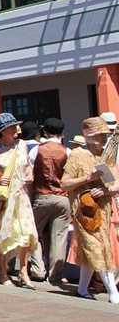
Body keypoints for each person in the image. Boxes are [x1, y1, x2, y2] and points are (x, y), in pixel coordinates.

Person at [60, 116, 119, 303]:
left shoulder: (106, 157)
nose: (103, 139)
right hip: (83, 211)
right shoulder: (78, 155)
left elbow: (115, 183)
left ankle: (82, 289)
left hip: (103, 210)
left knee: (95, 249)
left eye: (105, 135)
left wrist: (105, 190)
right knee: (97, 248)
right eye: (100, 135)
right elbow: (65, 183)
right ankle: (113, 292)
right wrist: (88, 178)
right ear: (90, 136)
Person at [0, 113, 38, 289]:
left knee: (26, 233)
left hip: (21, 197)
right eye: (13, 127)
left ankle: (23, 272)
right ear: (4, 130)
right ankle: (2, 272)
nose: (17, 129)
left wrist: (30, 175)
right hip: (3, 200)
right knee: (3, 235)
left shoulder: (22, 146)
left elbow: (28, 167)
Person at [30, 117, 71, 285]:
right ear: (62, 133)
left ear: (44, 132)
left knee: (34, 233)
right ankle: (55, 275)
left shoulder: (36, 151)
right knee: (59, 237)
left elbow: (30, 174)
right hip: (62, 198)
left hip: (41, 196)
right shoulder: (67, 152)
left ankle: (38, 269)